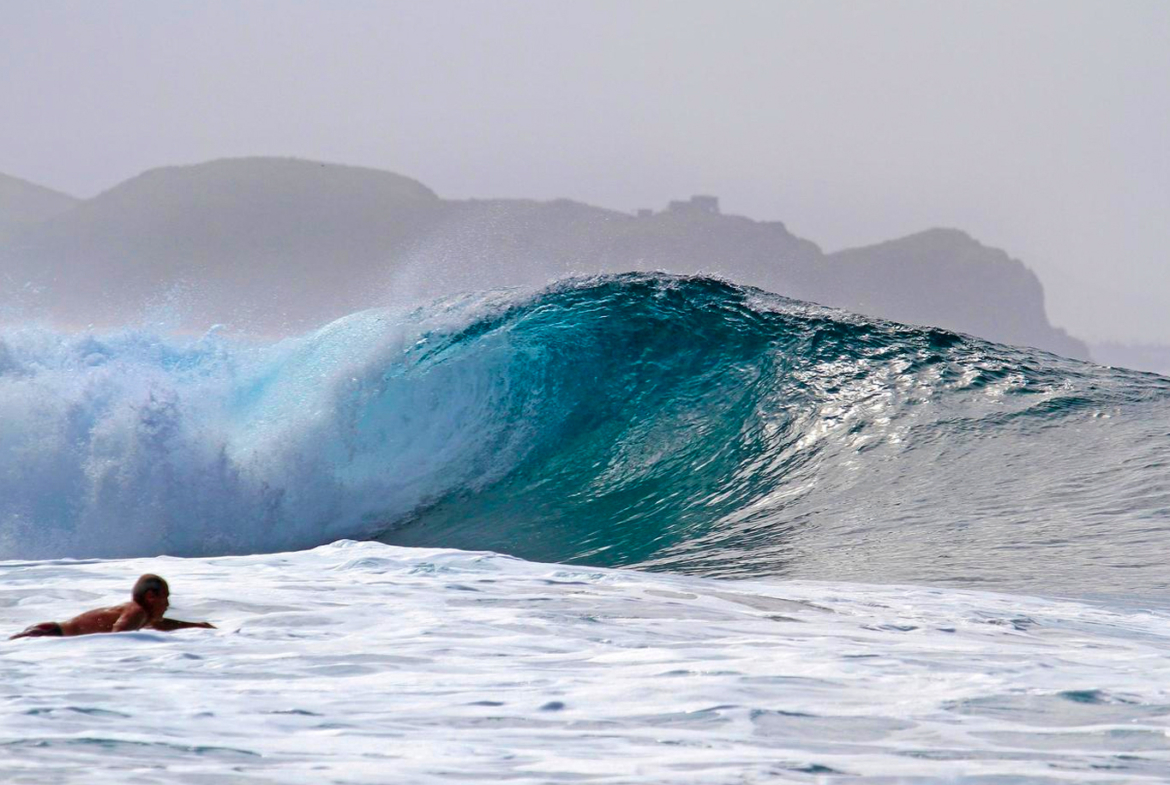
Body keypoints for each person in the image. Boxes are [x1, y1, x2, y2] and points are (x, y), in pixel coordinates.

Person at [9, 574, 215, 639]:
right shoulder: (136, 611)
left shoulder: (140, 613)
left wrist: (194, 625)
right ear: (151, 596)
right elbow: (117, 637)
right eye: (165, 598)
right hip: (48, 634)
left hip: (50, 633)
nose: (168, 604)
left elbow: (159, 625)